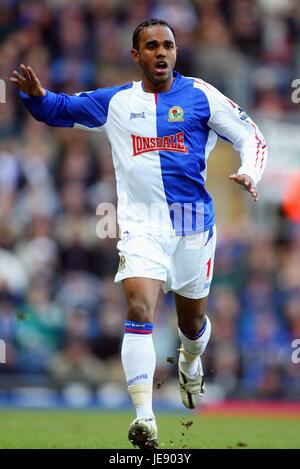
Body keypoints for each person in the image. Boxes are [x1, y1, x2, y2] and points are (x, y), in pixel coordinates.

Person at [11, 18, 267, 449]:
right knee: (139, 307)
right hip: (140, 228)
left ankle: (190, 363)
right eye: (152, 46)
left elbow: (250, 134)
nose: (161, 52)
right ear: (137, 55)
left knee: (192, 324)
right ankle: (145, 418)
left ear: (175, 51)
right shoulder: (116, 103)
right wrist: (34, 97)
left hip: (192, 227)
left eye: (168, 45)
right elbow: (58, 109)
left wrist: (248, 171)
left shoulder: (202, 95)